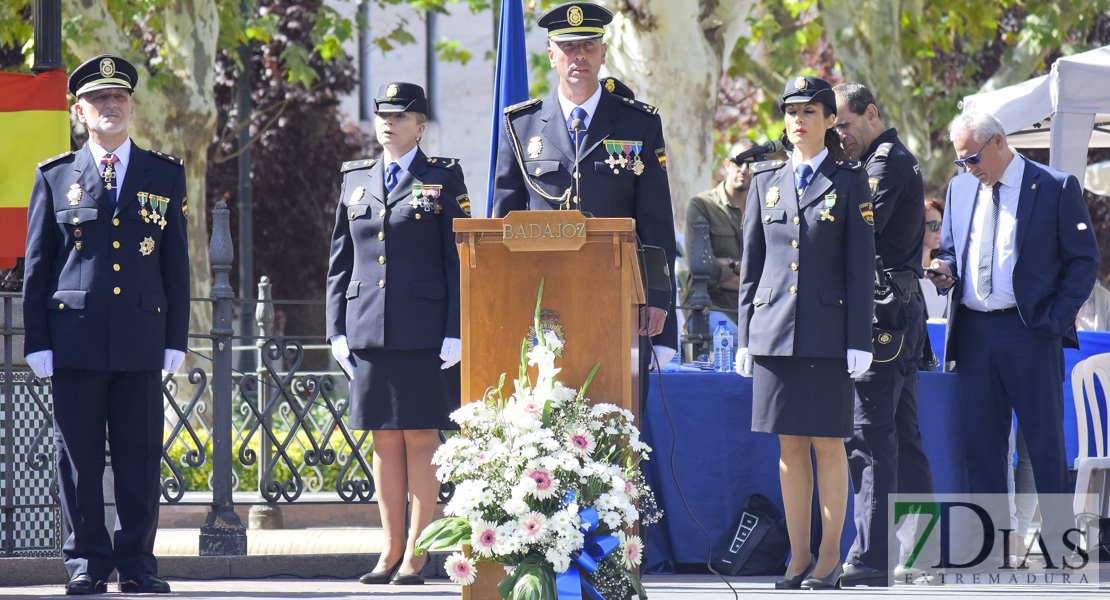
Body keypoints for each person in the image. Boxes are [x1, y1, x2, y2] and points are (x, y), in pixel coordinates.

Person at [22, 54, 189, 595]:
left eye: (118, 98)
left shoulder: (163, 174)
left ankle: (138, 563)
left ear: (132, 107)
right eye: (99, 100)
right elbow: (38, 265)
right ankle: (87, 563)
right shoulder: (55, 176)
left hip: (141, 340)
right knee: (79, 459)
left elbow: (176, 264)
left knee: (140, 457)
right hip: (74, 340)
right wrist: (37, 340)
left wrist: (176, 338)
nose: (110, 107)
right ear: (80, 112)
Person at [927, 110, 1099, 561]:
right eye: (961, 160)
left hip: (1030, 330)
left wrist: (1055, 317)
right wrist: (945, 269)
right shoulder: (961, 188)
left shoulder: (1055, 186)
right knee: (982, 445)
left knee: (1043, 442)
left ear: (999, 142)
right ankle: (992, 549)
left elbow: (1084, 260)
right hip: (974, 330)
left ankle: (1061, 546)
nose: (968, 167)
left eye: (973, 157)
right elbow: (951, 248)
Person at [325, 82, 468, 586]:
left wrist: (457, 330)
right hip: (368, 330)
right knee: (383, 441)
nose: (389, 123)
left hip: (426, 333)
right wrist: (336, 331)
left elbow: (458, 261)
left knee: (421, 438)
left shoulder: (443, 178)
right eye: (383, 115)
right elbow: (339, 263)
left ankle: (418, 551)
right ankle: (388, 549)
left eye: (401, 116)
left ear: (421, 125)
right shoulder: (354, 178)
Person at [735, 76, 875, 590]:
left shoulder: (849, 178)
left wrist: (859, 337)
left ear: (829, 119)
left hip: (827, 332)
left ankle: (830, 557)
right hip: (773, 332)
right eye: (791, 112)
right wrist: (747, 332)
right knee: (789, 446)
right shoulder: (765, 179)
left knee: (827, 444)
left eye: (809, 112)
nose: (798, 121)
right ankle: (797, 557)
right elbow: (753, 266)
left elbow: (861, 267)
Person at [490, 1, 678, 381]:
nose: (579, 56)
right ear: (551, 55)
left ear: (604, 52)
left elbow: (657, 220)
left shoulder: (637, 123)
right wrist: (500, 295)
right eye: (569, 47)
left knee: (616, 410)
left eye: (589, 46)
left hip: (616, 295)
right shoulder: (522, 125)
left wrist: (657, 299)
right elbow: (503, 219)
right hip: (540, 295)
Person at [831, 82, 935, 587]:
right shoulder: (888, 158)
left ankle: (872, 558)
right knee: (902, 433)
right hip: (899, 310)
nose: (841, 136)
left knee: (869, 435)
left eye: (846, 124)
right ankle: (920, 549)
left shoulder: (885, 163)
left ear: (871, 114)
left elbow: (856, 231)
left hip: (884, 313)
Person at [683, 140, 754, 324]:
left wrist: (729, 264)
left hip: (755, 310)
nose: (744, 169)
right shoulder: (703, 205)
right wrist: (746, 278)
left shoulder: (764, 210)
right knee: (728, 342)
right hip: (712, 305)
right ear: (727, 164)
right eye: (739, 162)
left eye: (751, 163)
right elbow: (702, 266)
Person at [920, 197, 947, 319]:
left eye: (942, 224)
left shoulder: (944, 270)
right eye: (934, 225)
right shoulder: (902, 274)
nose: (941, 230)